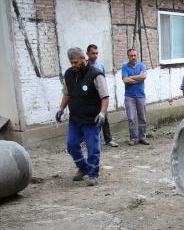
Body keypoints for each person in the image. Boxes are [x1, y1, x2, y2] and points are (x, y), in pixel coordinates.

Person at [56, 47, 109, 186]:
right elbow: (67, 93)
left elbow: (105, 97)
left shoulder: (96, 74)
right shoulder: (69, 74)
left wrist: (102, 114)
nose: (73, 65)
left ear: (83, 59)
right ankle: (83, 168)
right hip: (75, 119)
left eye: (75, 62)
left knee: (93, 149)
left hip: (92, 120)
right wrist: (61, 108)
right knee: (71, 145)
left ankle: (93, 174)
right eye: (71, 63)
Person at [86, 44, 118, 148]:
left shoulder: (100, 66)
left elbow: (102, 81)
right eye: (93, 53)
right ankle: (94, 140)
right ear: (87, 54)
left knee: (104, 118)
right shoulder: (85, 67)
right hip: (90, 98)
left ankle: (108, 139)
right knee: (92, 119)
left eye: (96, 53)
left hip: (101, 97)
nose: (95, 55)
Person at [121, 48, 149, 145]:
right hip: (129, 97)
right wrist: (139, 78)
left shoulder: (142, 65)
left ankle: (142, 137)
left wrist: (131, 77)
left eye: (134, 55)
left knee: (142, 118)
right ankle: (133, 138)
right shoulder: (125, 67)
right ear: (128, 56)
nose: (133, 57)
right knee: (131, 118)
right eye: (131, 56)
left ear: (137, 56)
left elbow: (144, 77)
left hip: (141, 96)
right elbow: (125, 80)